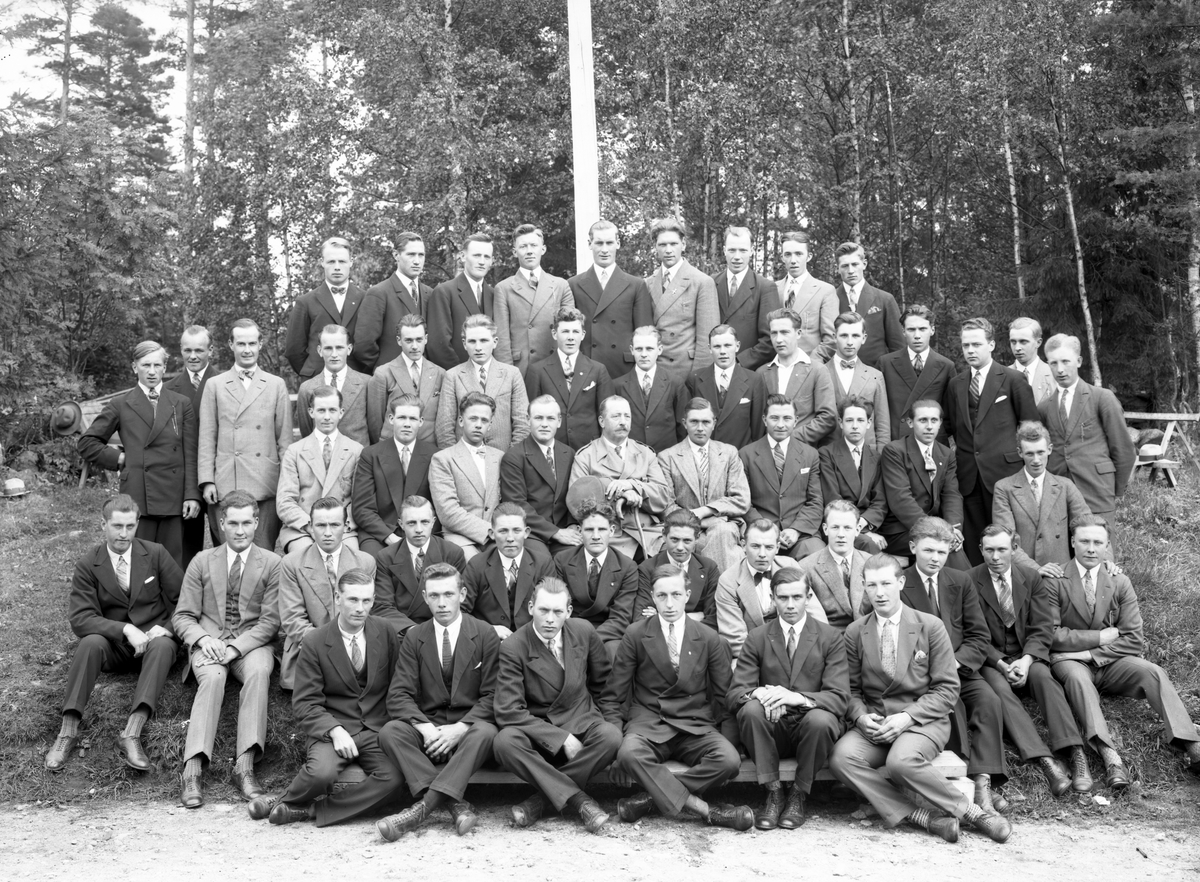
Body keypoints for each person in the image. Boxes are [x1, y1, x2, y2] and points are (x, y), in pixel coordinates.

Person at [829, 553, 1011, 844]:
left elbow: (947, 689)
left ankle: (972, 812)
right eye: (872, 585)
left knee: (901, 762)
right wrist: (861, 717)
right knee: (841, 758)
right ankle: (921, 816)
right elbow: (850, 690)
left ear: (901, 582)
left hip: (922, 721)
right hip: (877, 724)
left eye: (886, 583)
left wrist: (907, 717)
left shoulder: (930, 626)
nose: (879, 592)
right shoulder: (855, 631)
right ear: (864, 587)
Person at [1047, 516, 1200, 789]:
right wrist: (1099, 638)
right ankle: (1111, 758)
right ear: (1072, 542)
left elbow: (1133, 640)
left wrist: (1087, 654)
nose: (1091, 548)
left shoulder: (1119, 581)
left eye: (1098, 542)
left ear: (1107, 545)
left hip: (1101, 661)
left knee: (1152, 672)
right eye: (1084, 541)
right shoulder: (1055, 579)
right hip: (1069, 664)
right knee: (1079, 680)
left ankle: (1192, 745)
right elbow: (1051, 635)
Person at [600, 565, 753, 831]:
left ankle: (649, 799)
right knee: (629, 754)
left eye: (676, 595)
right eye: (662, 596)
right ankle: (706, 810)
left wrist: (731, 742)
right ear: (652, 597)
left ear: (687, 595)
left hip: (694, 725)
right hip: (649, 724)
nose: (669, 604)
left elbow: (724, 698)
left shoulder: (708, 637)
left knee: (728, 760)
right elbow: (613, 697)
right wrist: (614, 752)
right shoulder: (636, 634)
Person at [247, 570, 402, 826]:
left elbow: (397, 685)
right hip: (333, 727)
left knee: (394, 779)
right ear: (337, 598)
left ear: (374, 600)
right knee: (321, 773)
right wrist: (334, 730)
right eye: (353, 599)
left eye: (366, 600)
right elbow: (305, 702)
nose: (360, 608)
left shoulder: (385, 632)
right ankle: (282, 799)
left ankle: (309, 810)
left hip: (375, 729)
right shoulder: (315, 641)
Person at [45, 495, 184, 773]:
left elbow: (187, 599)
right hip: (114, 646)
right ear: (103, 525)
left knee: (163, 645)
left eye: (130, 526)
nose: (124, 534)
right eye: (117, 526)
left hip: (153, 645)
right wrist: (125, 629)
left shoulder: (155, 553)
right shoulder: (89, 563)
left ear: (137, 524)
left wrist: (168, 628)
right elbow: (81, 618)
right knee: (89, 643)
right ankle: (68, 730)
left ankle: (132, 733)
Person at [376, 564, 501, 840]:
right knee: (390, 732)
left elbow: (494, 695)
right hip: (431, 729)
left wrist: (460, 728)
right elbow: (398, 695)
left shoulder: (484, 633)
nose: (441, 603)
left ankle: (422, 808)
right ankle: (455, 804)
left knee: (486, 732)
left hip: (468, 731)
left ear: (462, 594)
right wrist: (426, 729)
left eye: (448, 594)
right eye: (434, 595)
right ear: (425, 597)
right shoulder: (414, 636)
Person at [173, 491, 282, 808]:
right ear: (221, 524)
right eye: (233, 523)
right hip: (209, 642)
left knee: (259, 672)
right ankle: (193, 770)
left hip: (252, 644)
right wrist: (203, 640)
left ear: (257, 522)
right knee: (213, 678)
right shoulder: (202, 561)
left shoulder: (272, 564)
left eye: (247, 522)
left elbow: (270, 622)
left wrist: (235, 648)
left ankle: (245, 767)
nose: (240, 530)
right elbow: (183, 616)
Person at [492, 577, 621, 833]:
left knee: (611, 737)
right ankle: (579, 800)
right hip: (540, 730)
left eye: (557, 612)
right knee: (504, 743)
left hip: (582, 720)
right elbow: (508, 710)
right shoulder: (514, 646)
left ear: (569, 612)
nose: (550, 619)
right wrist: (561, 738)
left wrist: (614, 726)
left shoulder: (583, 631)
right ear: (531, 608)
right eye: (543, 610)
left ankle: (541, 801)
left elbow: (604, 687)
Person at [968, 525, 1087, 797]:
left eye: (1002, 549)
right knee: (999, 692)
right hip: (990, 659)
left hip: (1026, 653)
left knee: (1044, 678)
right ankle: (1044, 760)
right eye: (989, 550)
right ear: (980, 550)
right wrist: (1000, 663)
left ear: (1014, 548)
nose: (995, 556)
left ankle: (1074, 751)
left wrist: (1027, 659)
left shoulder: (1031, 577)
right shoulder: (969, 580)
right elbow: (971, 633)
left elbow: (1042, 626)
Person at [900, 517, 1007, 814]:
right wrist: (934, 671)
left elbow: (979, 635)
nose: (935, 558)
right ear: (913, 547)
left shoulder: (960, 581)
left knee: (988, 701)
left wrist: (955, 663)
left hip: (960, 668)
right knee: (952, 707)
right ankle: (961, 778)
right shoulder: (899, 583)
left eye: (942, 552)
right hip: (920, 676)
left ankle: (983, 781)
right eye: (928, 550)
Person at [728, 567, 849, 829]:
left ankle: (798, 794)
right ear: (772, 598)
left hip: (812, 733)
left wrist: (796, 698)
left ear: (808, 597)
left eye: (797, 597)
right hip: (773, 731)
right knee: (750, 710)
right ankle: (773, 792)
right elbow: (735, 693)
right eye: (783, 598)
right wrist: (760, 693)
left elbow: (839, 697)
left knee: (821, 719)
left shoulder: (830, 637)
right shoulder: (758, 637)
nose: (790, 605)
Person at [78, 340, 199, 568]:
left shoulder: (181, 403)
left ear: (165, 367)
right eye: (145, 365)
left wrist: (192, 495)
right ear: (135, 367)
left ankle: (173, 594)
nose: (152, 372)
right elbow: (87, 443)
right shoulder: (121, 404)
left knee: (172, 563)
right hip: (138, 492)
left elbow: (191, 453)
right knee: (140, 562)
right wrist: (119, 458)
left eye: (157, 365)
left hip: (174, 494)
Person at [945, 317, 1038, 565]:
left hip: (1005, 474)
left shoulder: (1013, 379)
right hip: (968, 477)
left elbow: (1031, 428)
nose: (970, 350)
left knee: (1008, 541)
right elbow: (952, 427)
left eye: (976, 344)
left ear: (992, 345)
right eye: (966, 345)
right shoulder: (956, 385)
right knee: (975, 547)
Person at [198, 319, 293, 550]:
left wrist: (287, 484)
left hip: (265, 482)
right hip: (226, 482)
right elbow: (207, 438)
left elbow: (285, 441)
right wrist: (207, 481)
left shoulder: (276, 385)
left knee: (262, 552)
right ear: (231, 345)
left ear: (260, 344)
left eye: (252, 343)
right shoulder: (215, 385)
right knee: (228, 552)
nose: (247, 349)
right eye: (241, 343)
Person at [1039, 334, 1136, 554]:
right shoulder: (1044, 407)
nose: (1060, 369)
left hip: (1096, 489)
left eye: (1066, 361)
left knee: (1100, 554)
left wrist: (1113, 490)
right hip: (1059, 493)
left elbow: (1123, 449)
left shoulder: (1102, 398)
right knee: (1064, 553)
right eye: (1053, 363)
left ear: (1079, 361)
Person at [277, 497, 376, 690]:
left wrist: (346, 643)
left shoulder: (365, 562)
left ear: (346, 527)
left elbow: (367, 612)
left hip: (353, 643)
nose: (328, 533)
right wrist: (327, 645)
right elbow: (292, 618)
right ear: (311, 527)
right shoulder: (291, 563)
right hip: (308, 645)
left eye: (335, 525)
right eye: (321, 525)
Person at [569, 395, 672, 560]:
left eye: (627, 416)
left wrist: (632, 485)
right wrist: (621, 495)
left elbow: (663, 497)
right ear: (601, 421)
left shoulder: (646, 453)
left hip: (647, 533)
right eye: (616, 416)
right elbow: (577, 504)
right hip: (608, 535)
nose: (623, 422)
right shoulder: (585, 456)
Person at [659, 397, 751, 572]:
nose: (700, 428)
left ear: (714, 423)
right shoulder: (668, 457)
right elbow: (666, 506)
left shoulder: (728, 453)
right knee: (721, 540)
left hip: (725, 525)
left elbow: (741, 499)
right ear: (684, 423)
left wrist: (703, 511)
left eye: (706, 422)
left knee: (722, 532)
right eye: (694, 422)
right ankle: (724, 587)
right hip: (686, 530)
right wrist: (701, 522)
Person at [992, 421, 1091, 572]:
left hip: (1060, 572)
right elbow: (1006, 539)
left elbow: (1089, 526)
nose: (1036, 460)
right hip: (1023, 573)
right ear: (1020, 453)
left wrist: (1106, 560)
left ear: (1049, 449)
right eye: (1029, 454)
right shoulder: (1004, 488)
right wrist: (1035, 569)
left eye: (1040, 452)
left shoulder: (1065, 486)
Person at [275, 385, 362, 556]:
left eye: (332, 410)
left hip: (342, 529)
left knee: (349, 559)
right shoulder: (295, 451)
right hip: (302, 528)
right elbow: (285, 501)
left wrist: (338, 525)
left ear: (341, 412)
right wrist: (311, 526)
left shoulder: (355, 450)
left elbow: (359, 500)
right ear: (311, 412)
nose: (327, 416)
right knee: (305, 558)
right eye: (321, 410)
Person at [879, 399, 966, 566]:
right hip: (902, 529)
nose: (929, 426)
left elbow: (951, 495)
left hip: (938, 529)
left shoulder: (946, 454)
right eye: (923, 420)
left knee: (952, 546)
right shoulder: (895, 450)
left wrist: (953, 529)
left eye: (934, 420)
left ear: (940, 423)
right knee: (944, 550)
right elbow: (900, 499)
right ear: (910, 423)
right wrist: (937, 530)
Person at [739, 394, 824, 560]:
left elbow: (815, 501)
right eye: (774, 418)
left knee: (817, 556)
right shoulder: (746, 454)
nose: (780, 424)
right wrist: (766, 529)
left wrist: (796, 530)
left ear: (796, 420)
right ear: (764, 420)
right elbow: (744, 502)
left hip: (800, 535)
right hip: (761, 533)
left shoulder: (810, 454)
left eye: (787, 418)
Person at [352, 394, 437, 557]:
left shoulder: (435, 455)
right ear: (391, 419)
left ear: (421, 422)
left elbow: (439, 507)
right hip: (380, 532)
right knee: (373, 561)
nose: (407, 424)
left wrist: (421, 534)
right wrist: (389, 537)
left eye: (413, 419)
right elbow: (362, 508)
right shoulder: (371, 455)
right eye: (402, 417)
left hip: (422, 532)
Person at [553, 501, 640, 660]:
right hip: (572, 627)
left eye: (601, 529)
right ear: (580, 531)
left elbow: (621, 618)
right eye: (589, 530)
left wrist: (590, 641)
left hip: (607, 631)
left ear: (611, 531)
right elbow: (558, 607)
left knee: (613, 651)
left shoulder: (627, 567)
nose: (595, 536)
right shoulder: (563, 560)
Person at [568, 219, 654, 379]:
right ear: (589, 244)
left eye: (609, 243)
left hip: (623, 369)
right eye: (599, 243)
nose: (604, 250)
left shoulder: (636, 285)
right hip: (586, 367)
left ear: (618, 244)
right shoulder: (573, 284)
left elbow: (645, 335)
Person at [373, 496, 467, 636]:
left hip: (443, 629)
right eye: (411, 523)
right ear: (401, 524)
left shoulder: (452, 553)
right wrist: (412, 630)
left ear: (433, 522)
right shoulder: (386, 557)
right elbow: (383, 606)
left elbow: (461, 602)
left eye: (424, 522)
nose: (418, 529)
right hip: (404, 633)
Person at [435, 314, 530, 451]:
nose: (478, 347)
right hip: (464, 458)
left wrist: (511, 458)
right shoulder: (453, 376)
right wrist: (457, 459)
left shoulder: (512, 374)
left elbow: (523, 424)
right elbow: (444, 428)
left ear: (495, 342)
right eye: (472, 341)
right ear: (464, 344)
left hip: (504, 456)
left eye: (484, 340)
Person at [163, 324, 217, 563]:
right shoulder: (168, 389)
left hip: (218, 474)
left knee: (225, 541)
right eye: (187, 350)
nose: (193, 356)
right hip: (183, 477)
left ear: (211, 350)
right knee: (185, 547)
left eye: (199, 350)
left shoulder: (226, 382)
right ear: (180, 350)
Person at [499, 395, 578, 557]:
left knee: (575, 559)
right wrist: (555, 532)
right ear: (528, 420)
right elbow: (517, 504)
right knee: (540, 560)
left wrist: (572, 524)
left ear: (559, 421)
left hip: (564, 528)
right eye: (538, 418)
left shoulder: (569, 453)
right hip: (532, 531)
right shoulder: (514, 457)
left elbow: (574, 493)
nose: (544, 424)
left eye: (550, 418)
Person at [430, 392, 505, 561]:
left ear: (490, 425)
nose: (478, 425)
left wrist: (501, 530)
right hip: (460, 537)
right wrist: (489, 530)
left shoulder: (500, 457)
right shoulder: (443, 459)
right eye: (473, 419)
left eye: (484, 420)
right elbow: (448, 512)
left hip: (497, 537)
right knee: (476, 565)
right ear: (461, 421)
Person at [462, 503, 556, 638]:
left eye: (517, 530)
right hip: (489, 641)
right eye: (503, 531)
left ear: (526, 533)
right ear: (492, 534)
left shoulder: (543, 564)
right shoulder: (477, 565)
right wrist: (489, 630)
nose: (510, 538)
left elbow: (553, 608)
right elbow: (460, 612)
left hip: (531, 640)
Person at [524, 307, 613, 450]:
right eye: (565, 331)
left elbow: (607, 415)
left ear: (583, 335)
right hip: (551, 448)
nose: (570, 337)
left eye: (575, 332)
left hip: (589, 448)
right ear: (554, 334)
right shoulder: (537, 371)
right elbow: (530, 416)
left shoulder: (598, 370)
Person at [493, 223, 575, 376]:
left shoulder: (560, 285)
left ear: (543, 249)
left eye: (534, 245)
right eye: (523, 246)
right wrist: (507, 376)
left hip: (555, 366)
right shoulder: (503, 288)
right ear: (515, 252)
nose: (529, 251)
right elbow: (502, 340)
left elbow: (571, 331)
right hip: (521, 369)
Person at [645, 217, 720, 382]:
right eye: (662, 245)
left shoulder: (701, 282)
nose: (668, 250)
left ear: (683, 245)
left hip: (685, 372)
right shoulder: (648, 283)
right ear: (655, 247)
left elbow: (707, 339)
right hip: (654, 370)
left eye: (674, 244)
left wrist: (699, 379)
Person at [285, 237, 370, 380]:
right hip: (317, 380)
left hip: (358, 381)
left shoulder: (366, 299)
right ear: (322, 262)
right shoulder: (305, 302)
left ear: (351, 262)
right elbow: (294, 349)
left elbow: (372, 343)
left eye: (342, 261)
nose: (337, 267)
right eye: (331, 261)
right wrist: (311, 374)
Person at [714, 519, 796, 661]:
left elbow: (813, 613)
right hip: (753, 654)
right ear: (743, 546)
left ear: (777, 548)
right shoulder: (728, 581)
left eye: (769, 547)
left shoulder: (791, 567)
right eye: (755, 546)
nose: (762, 554)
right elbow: (735, 637)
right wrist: (768, 662)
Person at [754, 308, 837, 446]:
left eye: (784, 332)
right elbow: (757, 419)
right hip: (767, 452)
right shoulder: (761, 373)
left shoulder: (817, 371)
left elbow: (827, 418)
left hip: (803, 450)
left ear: (798, 333)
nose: (778, 339)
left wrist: (788, 439)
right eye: (774, 333)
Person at [818, 398, 888, 551]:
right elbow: (832, 498)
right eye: (849, 420)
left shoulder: (876, 457)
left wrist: (864, 524)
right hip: (839, 525)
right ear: (841, 423)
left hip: (868, 523)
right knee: (868, 543)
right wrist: (861, 530)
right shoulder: (827, 454)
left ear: (869, 423)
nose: (855, 426)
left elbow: (880, 500)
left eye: (860, 420)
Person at [365, 313, 444, 447]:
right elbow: (375, 422)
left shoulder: (440, 373)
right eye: (408, 340)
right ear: (399, 340)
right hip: (393, 448)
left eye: (419, 340)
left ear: (426, 339)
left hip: (428, 449)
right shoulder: (383, 374)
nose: (414, 346)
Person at [356, 232, 431, 373]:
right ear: (396, 255)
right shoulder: (379, 293)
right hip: (390, 378)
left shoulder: (430, 294)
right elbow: (363, 345)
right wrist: (383, 371)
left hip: (425, 378)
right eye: (411, 254)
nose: (417, 261)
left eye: (421, 255)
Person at [878, 304, 954, 442]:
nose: (917, 336)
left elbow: (951, 413)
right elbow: (878, 409)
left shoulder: (946, 366)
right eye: (911, 329)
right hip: (896, 442)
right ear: (903, 331)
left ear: (932, 330)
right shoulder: (886, 363)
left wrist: (938, 432)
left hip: (933, 443)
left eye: (922, 329)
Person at [634, 510, 720, 629]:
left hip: (697, 636)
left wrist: (660, 617)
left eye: (687, 541)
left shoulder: (709, 568)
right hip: (659, 637)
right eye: (674, 539)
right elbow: (641, 619)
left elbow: (713, 619)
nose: (680, 547)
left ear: (697, 538)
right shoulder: (647, 568)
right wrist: (696, 616)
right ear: (664, 536)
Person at [713, 226, 781, 370]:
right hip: (713, 369)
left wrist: (738, 363)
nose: (737, 256)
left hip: (747, 371)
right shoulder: (710, 283)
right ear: (724, 250)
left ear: (751, 251)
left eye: (743, 250)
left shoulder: (765, 288)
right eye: (732, 250)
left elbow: (770, 340)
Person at [613, 325, 688, 453]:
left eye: (649, 349)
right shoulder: (618, 386)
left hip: (666, 455)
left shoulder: (675, 383)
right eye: (639, 349)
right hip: (631, 455)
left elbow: (683, 425)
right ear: (631, 350)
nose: (643, 354)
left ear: (659, 350)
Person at [427, 233, 497, 370]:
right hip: (456, 376)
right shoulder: (444, 292)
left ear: (492, 261)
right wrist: (463, 376)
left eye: (486, 257)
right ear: (463, 256)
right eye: (476, 255)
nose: (482, 261)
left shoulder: (494, 294)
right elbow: (438, 345)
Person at [797, 501, 871, 630]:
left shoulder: (870, 563)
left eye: (847, 528)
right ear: (825, 529)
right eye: (835, 527)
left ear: (857, 530)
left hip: (866, 633)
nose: (841, 534)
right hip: (829, 636)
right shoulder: (806, 567)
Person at [686, 324, 761, 449]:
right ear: (709, 348)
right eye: (717, 346)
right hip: (705, 455)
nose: (722, 352)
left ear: (737, 346)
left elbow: (759, 428)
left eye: (727, 345)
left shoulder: (754, 380)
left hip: (740, 454)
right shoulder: (695, 379)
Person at [830, 242, 903, 369]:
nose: (850, 271)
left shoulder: (885, 299)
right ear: (838, 268)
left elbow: (898, 347)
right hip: (838, 373)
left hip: (877, 373)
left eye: (855, 264)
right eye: (845, 266)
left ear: (864, 264)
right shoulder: (829, 299)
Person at [295, 324, 369, 445]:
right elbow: (306, 430)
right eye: (328, 348)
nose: (334, 354)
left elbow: (375, 426)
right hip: (322, 454)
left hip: (358, 454)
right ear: (320, 351)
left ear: (349, 349)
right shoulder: (307, 389)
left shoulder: (367, 384)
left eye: (339, 348)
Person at [825, 312, 889, 448]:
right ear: (834, 337)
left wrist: (880, 456)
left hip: (868, 453)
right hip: (829, 452)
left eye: (855, 336)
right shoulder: (820, 373)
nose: (849, 342)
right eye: (844, 335)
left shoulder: (875, 376)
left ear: (864, 338)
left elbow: (883, 425)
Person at [775, 230, 837, 362]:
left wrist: (810, 365)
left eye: (799, 254)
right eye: (788, 254)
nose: (793, 260)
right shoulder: (772, 289)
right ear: (782, 257)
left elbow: (831, 340)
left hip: (810, 366)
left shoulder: (825, 291)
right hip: (777, 366)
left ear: (809, 256)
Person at [1008, 317, 1057, 405]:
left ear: (1038, 342)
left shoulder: (1054, 375)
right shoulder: (1001, 376)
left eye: (1023, 342)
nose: (1017, 348)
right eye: (1013, 342)